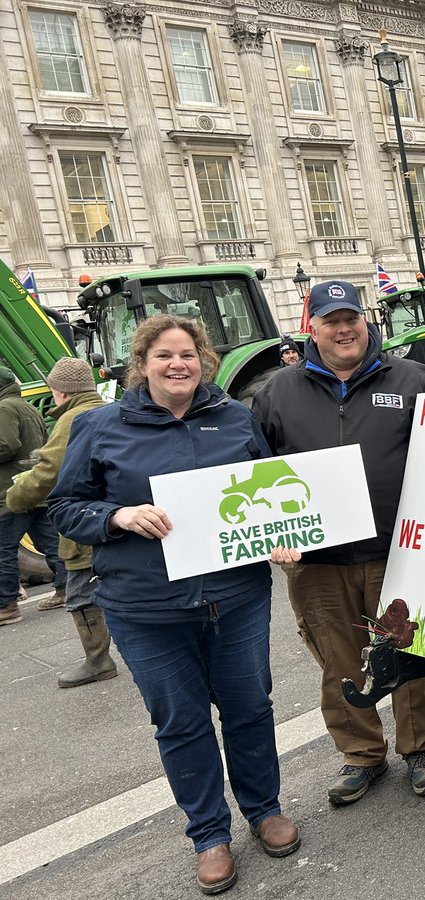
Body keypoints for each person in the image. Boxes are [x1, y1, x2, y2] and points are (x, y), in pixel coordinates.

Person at [48, 315, 298, 895]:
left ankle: (264, 810)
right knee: (181, 723)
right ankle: (209, 835)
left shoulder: (234, 417)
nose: (177, 364)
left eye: (187, 353)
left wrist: (281, 534)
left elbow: (266, 489)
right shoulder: (99, 426)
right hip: (147, 610)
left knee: (250, 709)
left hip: (235, 598)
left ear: (203, 360)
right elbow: (64, 507)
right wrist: (116, 516)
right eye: (163, 355)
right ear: (142, 364)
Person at [254, 280, 425, 805]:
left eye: (351, 318)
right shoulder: (275, 393)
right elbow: (255, 473)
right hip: (318, 560)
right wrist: (273, 533)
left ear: (365, 320)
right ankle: (361, 754)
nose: (344, 329)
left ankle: (421, 748)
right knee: (338, 657)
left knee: (405, 650)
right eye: (331, 321)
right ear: (310, 328)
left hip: (398, 549)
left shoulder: (413, 380)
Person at [6, 357, 117, 686]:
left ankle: (98, 660)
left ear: (60, 391)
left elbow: (49, 470)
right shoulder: (110, 408)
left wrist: (15, 496)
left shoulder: (72, 420)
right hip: (114, 516)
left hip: (84, 520)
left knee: (81, 593)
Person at [0, 365, 67, 626]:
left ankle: (6, 605)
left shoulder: (5, 408)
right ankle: (66, 588)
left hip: (10, 493)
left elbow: (6, 445)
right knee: (52, 543)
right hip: (36, 489)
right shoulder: (28, 407)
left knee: (3, 549)